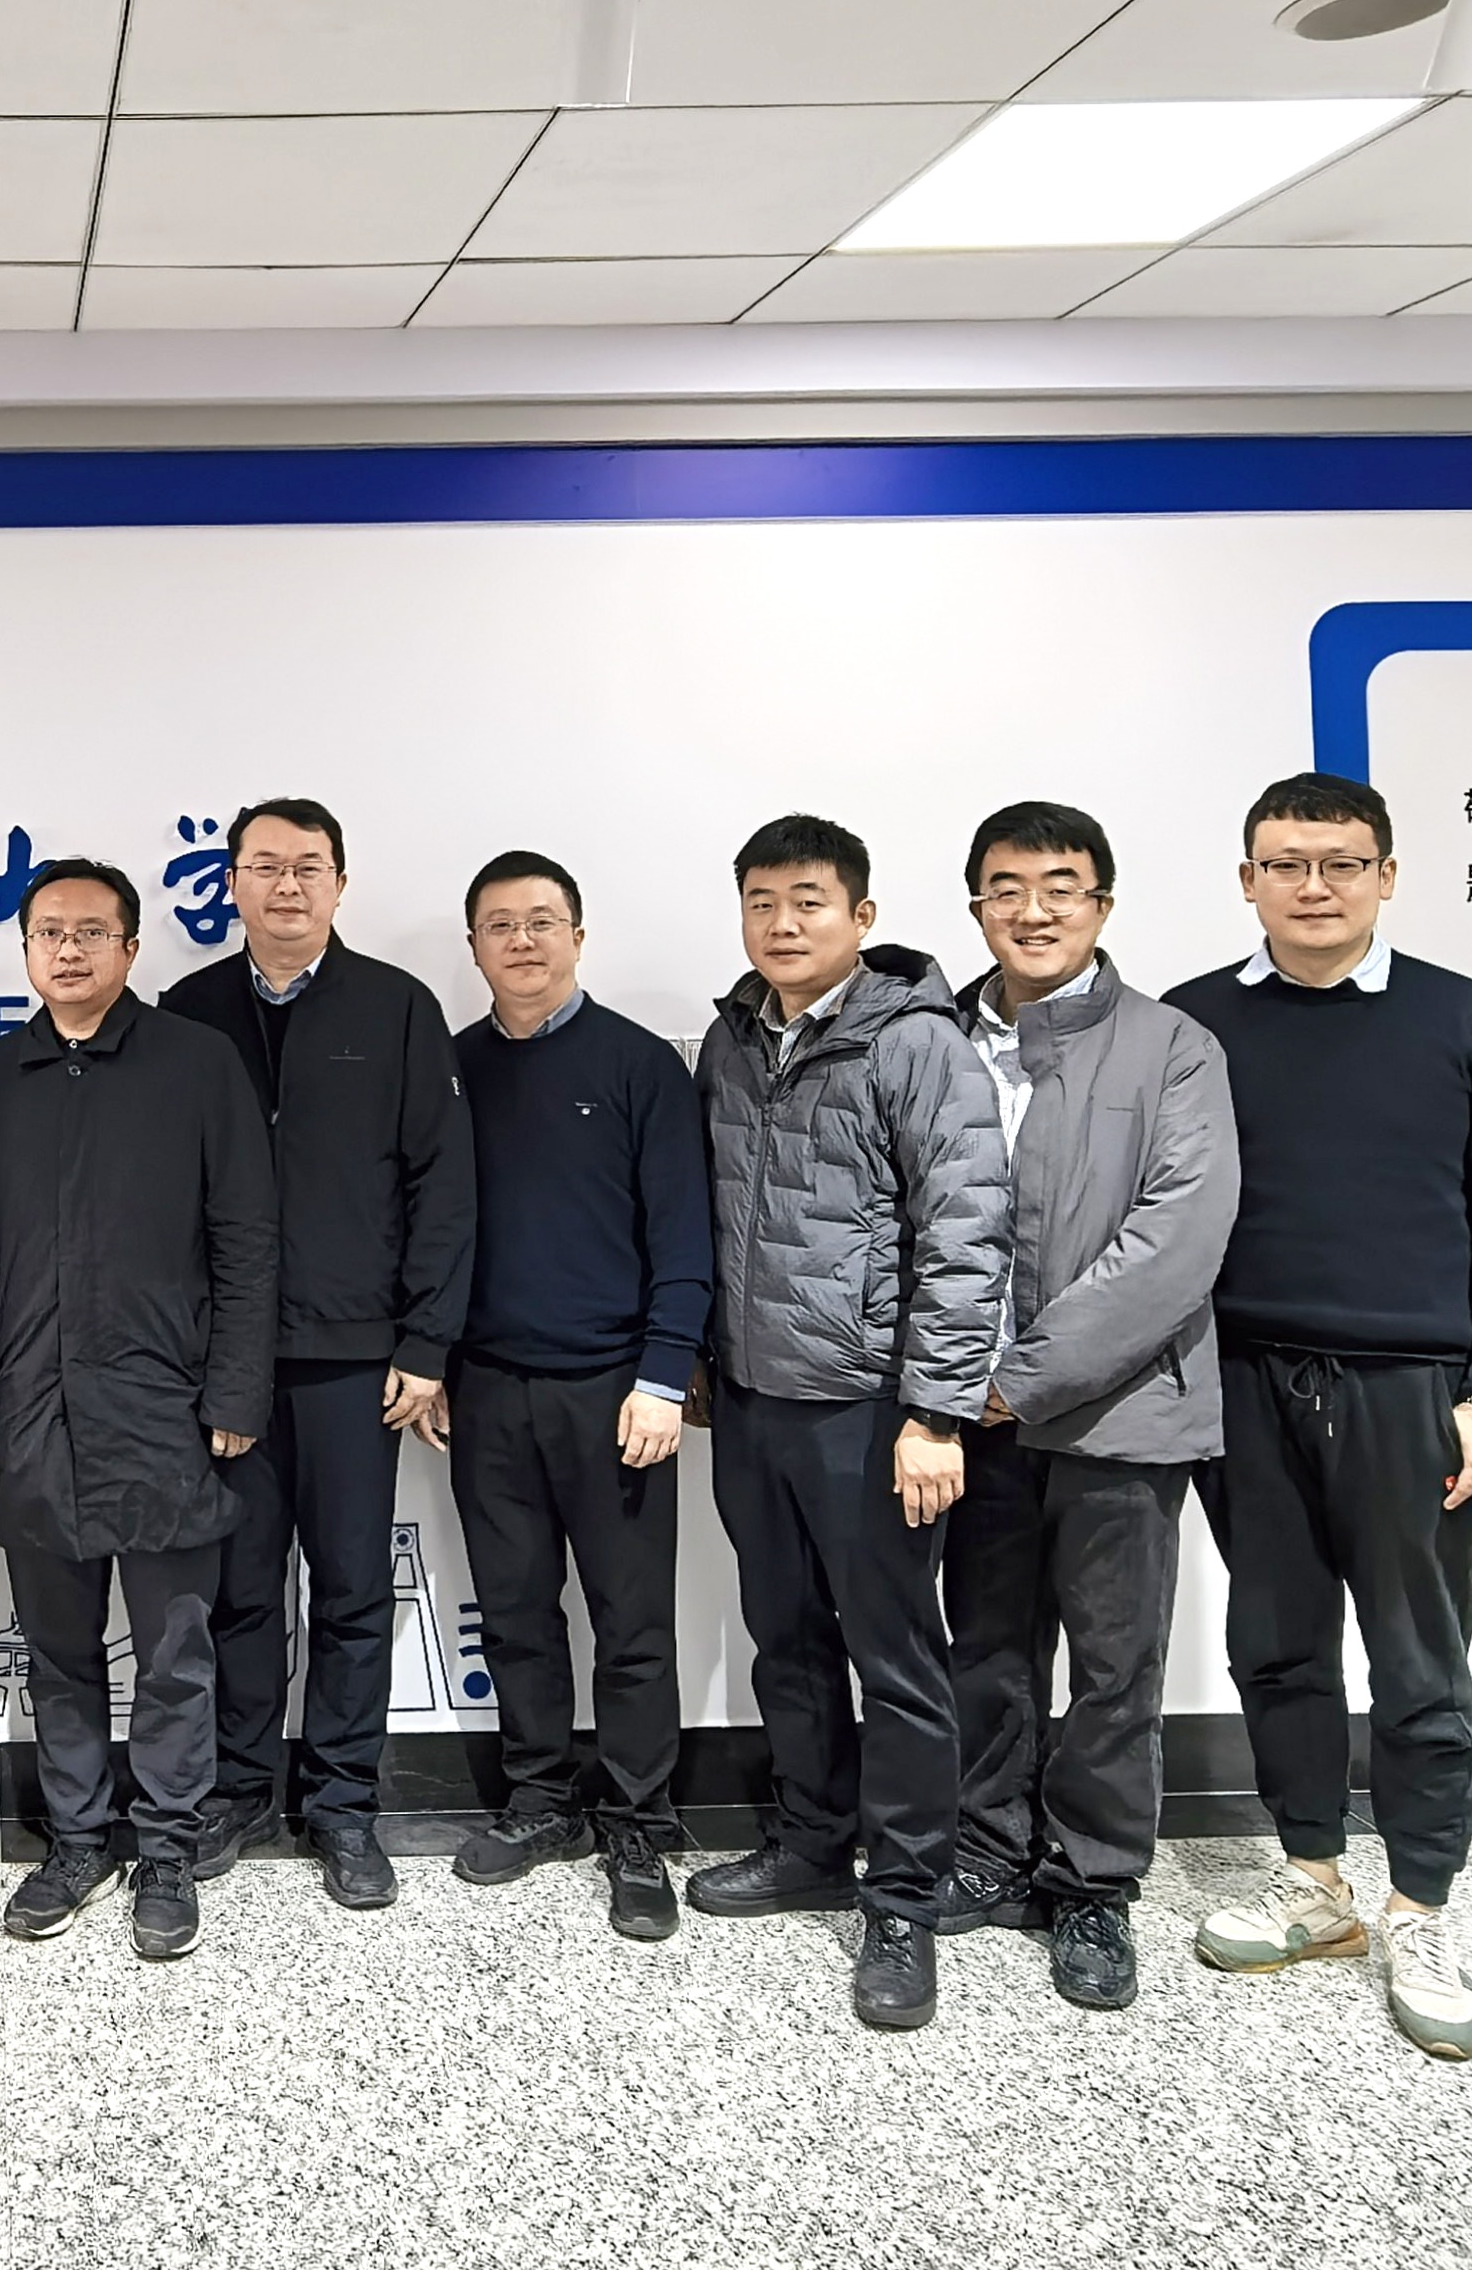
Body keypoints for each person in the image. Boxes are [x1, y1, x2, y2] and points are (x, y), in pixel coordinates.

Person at [1171, 772, 1472, 2062]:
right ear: (1246, 880)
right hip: (1242, 1380)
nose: (1313, 886)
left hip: (1412, 1391)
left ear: (1385, 874)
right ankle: (1313, 1884)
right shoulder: (1192, 1022)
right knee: (1274, 1644)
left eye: (1340, 862)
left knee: (1416, 1661)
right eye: (1283, 864)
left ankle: (1420, 1910)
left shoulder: (1465, 1017)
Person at [690, 815, 1010, 2032]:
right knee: (783, 1638)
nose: (781, 923)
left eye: (807, 901)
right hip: (753, 1402)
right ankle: (810, 1841)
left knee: (895, 1657)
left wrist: (933, 1411)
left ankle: (904, 1897)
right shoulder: (730, 1040)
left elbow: (965, 1235)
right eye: (760, 901)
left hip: (871, 1411)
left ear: (860, 917)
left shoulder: (914, 1042)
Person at [943, 804, 1238, 2014]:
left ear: (1100, 905)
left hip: (1117, 1411)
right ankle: (985, 1849)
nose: (1032, 910)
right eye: (1004, 888)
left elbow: (1174, 1240)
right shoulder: (933, 1041)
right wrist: (945, 1381)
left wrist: (1017, 1379)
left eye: (1059, 886)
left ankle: (1090, 1884)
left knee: (1114, 1667)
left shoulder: (1173, 1045)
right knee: (986, 1649)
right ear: (974, 905)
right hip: (964, 1419)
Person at [160, 799, 472, 1911]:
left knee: (349, 1587)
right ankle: (242, 1788)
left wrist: (426, 1340)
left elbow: (443, 1183)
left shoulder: (396, 1006)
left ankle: (342, 1802)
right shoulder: (189, 1012)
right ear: (230, 884)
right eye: (263, 866)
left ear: (340, 883)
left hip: (356, 1357)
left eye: (307, 866)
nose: (285, 885)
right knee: (240, 1589)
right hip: (228, 1364)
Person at [0, 859, 278, 1964]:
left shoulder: (195, 1063)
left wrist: (236, 1390)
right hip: (33, 1411)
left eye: (91, 932)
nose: (68, 950)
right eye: (48, 932)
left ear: (131, 949)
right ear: (24, 951)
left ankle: (167, 1847)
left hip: (165, 1410)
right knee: (58, 1654)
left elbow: (247, 1236)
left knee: (173, 1654)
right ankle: (75, 1840)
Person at [443, 851, 712, 1943]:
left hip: (615, 1392)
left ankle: (638, 1821)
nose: (522, 941)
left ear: (578, 936)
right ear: (472, 946)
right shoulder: (449, 1069)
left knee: (631, 1622)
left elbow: (684, 1239)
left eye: (542, 921)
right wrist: (431, 1358)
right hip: (485, 1389)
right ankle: (540, 1800)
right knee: (514, 1613)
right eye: (499, 925)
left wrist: (662, 1375)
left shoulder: (640, 1065)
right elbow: (423, 1231)